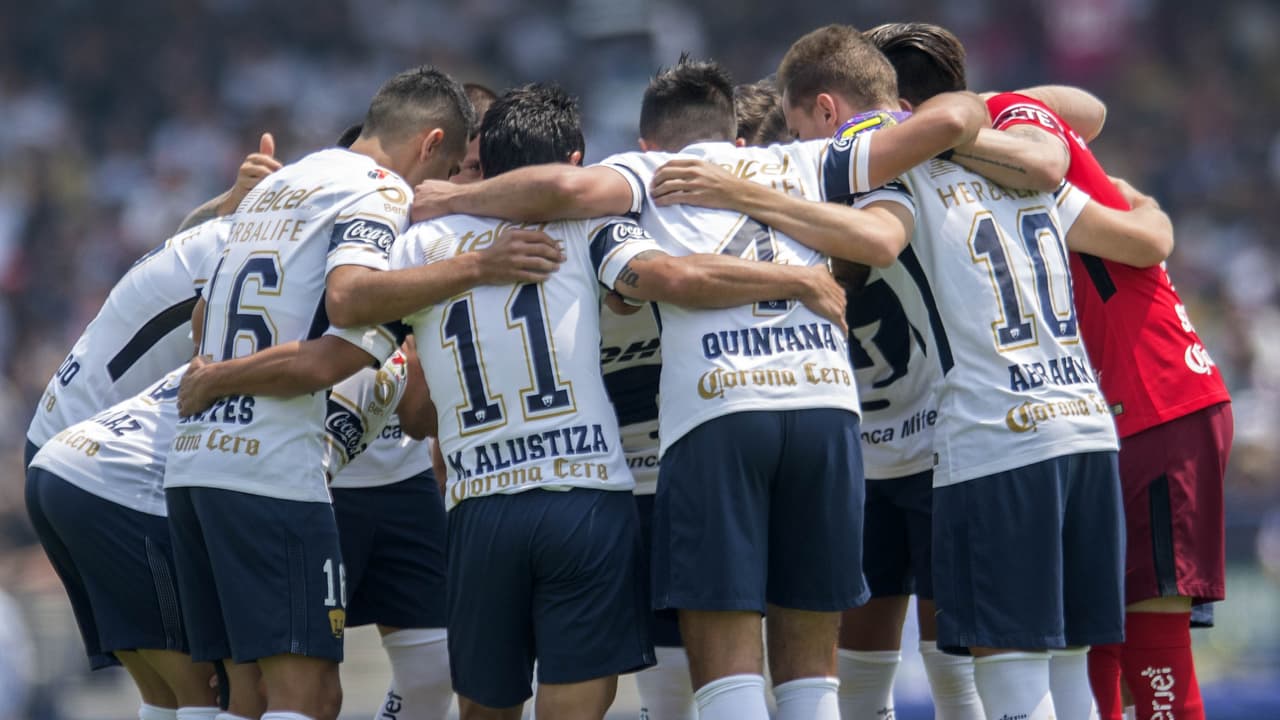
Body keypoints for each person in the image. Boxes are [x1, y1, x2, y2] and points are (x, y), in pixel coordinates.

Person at [409, 55, 988, 720]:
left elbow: (572, 198)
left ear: (649, 141)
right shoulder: (806, 160)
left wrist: (452, 198)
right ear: (735, 136)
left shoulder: (646, 174)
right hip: (825, 407)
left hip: (719, 411)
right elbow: (955, 118)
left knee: (725, 669)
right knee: (810, 671)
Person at [766, 23, 1176, 720]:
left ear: (834, 110)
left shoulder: (879, 161)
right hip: (1083, 430)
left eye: (802, 128)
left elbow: (875, 235)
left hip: (996, 436)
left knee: (1011, 682)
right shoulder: (1020, 156)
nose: (805, 144)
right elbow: (1107, 187)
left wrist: (751, 197)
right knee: (1073, 677)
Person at [866, 22, 1233, 720]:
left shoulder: (1006, 130)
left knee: (1152, 659)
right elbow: (1090, 112)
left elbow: (1140, 237)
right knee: (1097, 654)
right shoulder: (992, 145)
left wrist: (944, 128)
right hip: (1111, 409)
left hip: (1154, 399)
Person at [161, 65, 477, 720]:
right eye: (445, 170)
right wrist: (473, 267)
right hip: (272, 468)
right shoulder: (381, 190)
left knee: (240, 698)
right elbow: (347, 302)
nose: (435, 190)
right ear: (430, 143)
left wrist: (220, 376)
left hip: (197, 461)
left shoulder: (279, 186)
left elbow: (202, 314)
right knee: (305, 699)